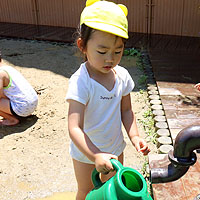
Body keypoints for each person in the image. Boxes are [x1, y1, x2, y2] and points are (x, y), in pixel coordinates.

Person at [65, 0, 150, 199]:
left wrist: (135, 136)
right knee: (87, 191)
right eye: (102, 52)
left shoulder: (122, 76)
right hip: (86, 153)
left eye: (118, 51)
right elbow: (74, 127)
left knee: (113, 191)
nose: (110, 59)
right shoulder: (81, 82)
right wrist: (94, 155)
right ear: (82, 46)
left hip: (114, 149)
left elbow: (126, 111)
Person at [0, 43, 38, 126]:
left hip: (23, 108)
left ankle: (12, 119)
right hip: (32, 104)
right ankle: (22, 114)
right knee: (2, 92)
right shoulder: (8, 68)